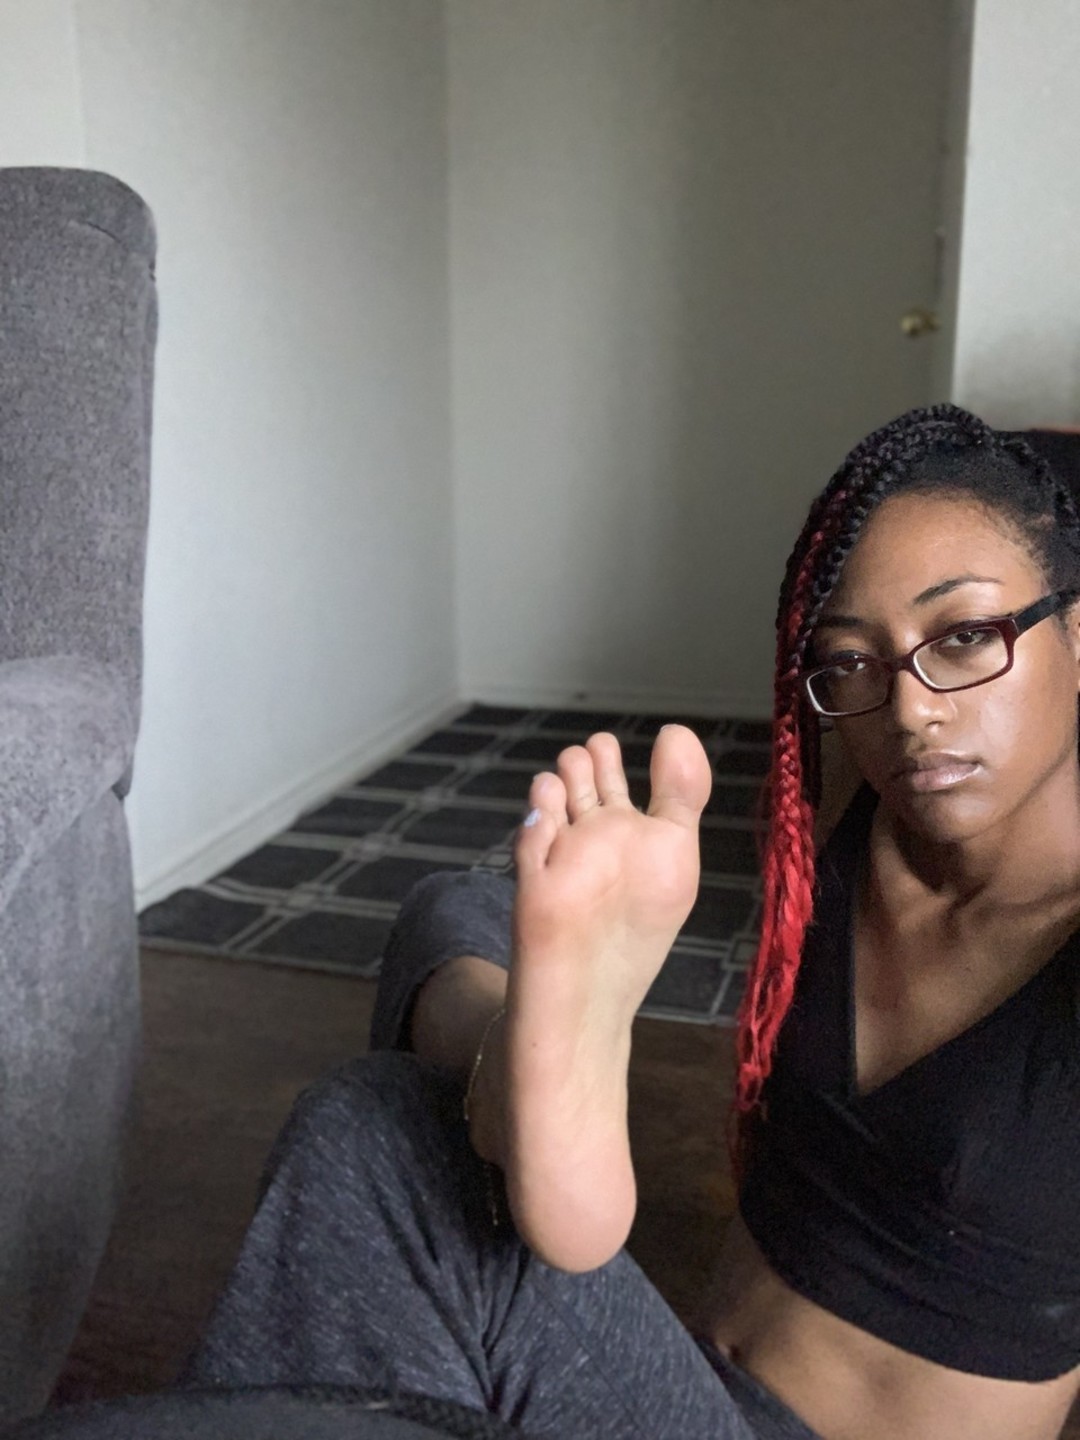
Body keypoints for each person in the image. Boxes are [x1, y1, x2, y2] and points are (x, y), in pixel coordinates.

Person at [20, 404, 1080, 1440]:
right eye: (851, 660)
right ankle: (519, 1075)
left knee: (379, 1133)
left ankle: (517, 1088)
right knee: (451, 909)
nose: (910, 707)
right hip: (680, 1383)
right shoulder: (867, 807)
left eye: (966, 636)